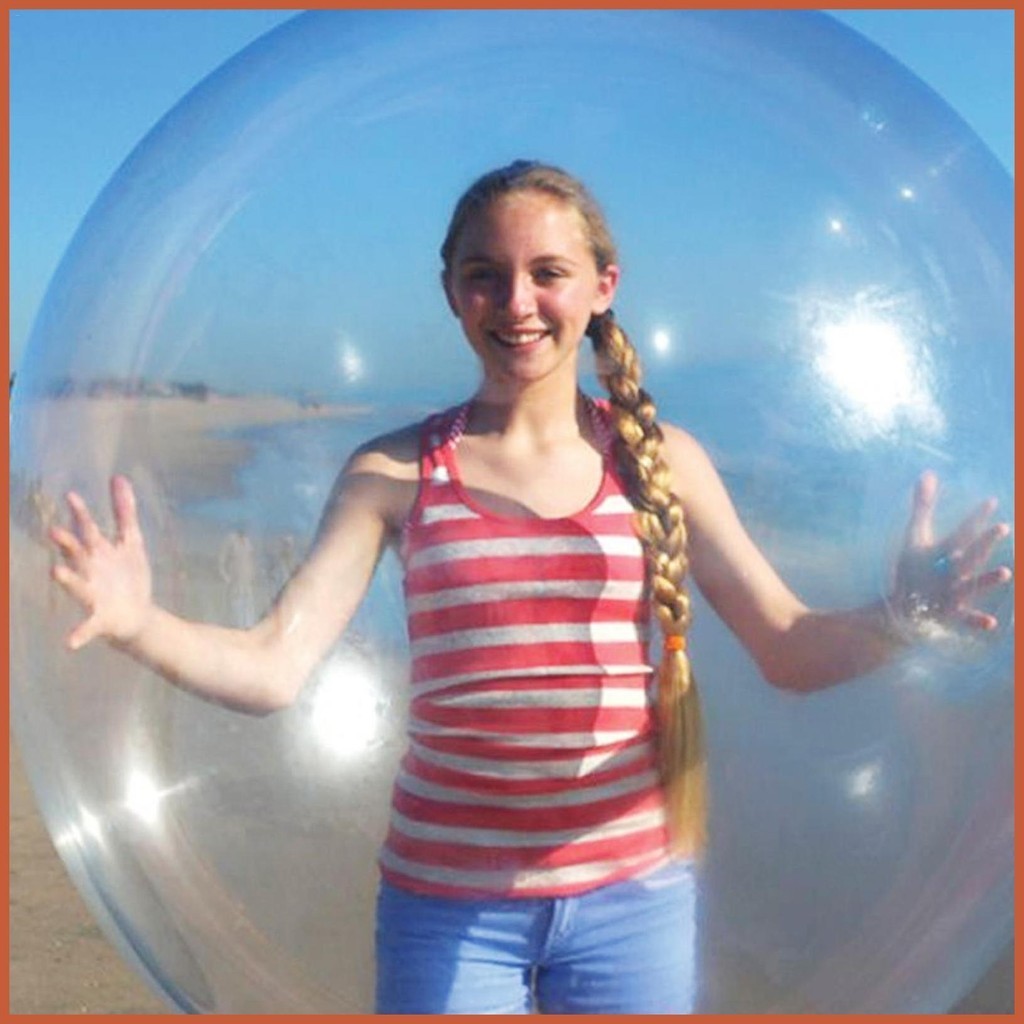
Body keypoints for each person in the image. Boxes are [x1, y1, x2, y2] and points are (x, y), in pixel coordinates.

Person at [48, 160, 1011, 1014]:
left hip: (634, 896)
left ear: (602, 286)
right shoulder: (393, 472)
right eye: (486, 274)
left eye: (549, 272)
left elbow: (786, 646)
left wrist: (903, 619)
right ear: (451, 293)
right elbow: (272, 667)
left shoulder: (660, 463)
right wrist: (138, 622)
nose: (517, 301)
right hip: (446, 902)